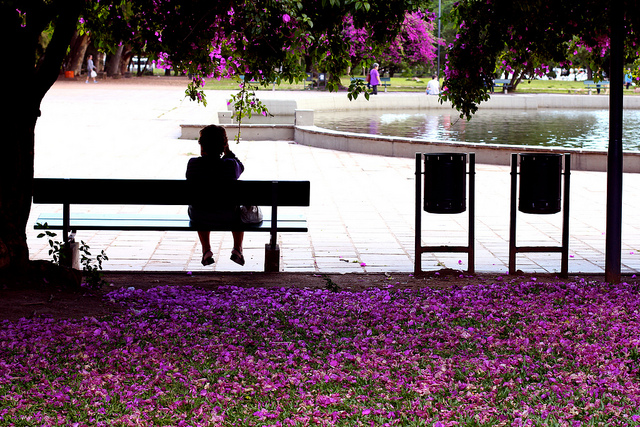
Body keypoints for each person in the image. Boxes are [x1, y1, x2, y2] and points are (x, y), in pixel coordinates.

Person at [186, 125, 246, 266]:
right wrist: (228, 152)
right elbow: (241, 167)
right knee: (239, 211)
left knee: (200, 205)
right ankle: (237, 248)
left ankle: (206, 250)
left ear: (202, 145)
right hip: (228, 216)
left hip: (200, 216)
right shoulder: (230, 165)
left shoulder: (193, 164)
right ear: (223, 145)